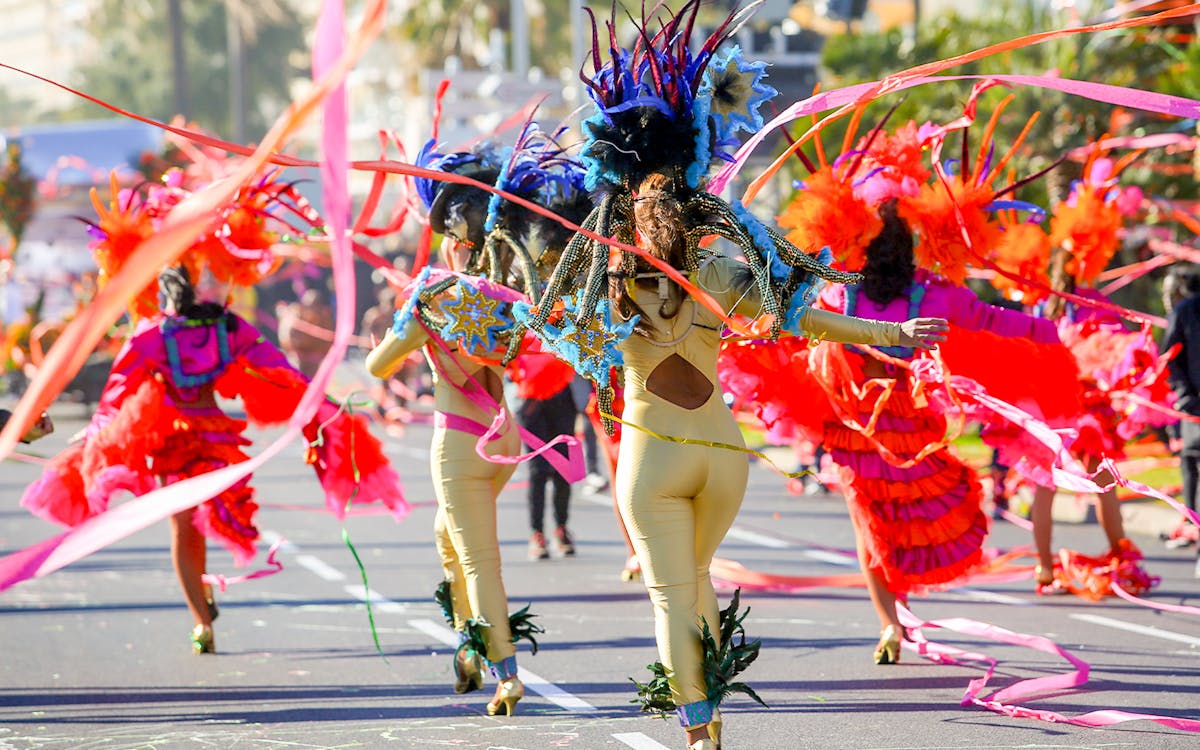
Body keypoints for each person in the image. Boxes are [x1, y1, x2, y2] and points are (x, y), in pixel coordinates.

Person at [508, 10, 947, 744]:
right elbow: (802, 316)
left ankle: (699, 728)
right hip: (722, 458)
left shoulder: (606, 276)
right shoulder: (718, 265)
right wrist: (890, 332)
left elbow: (546, 325)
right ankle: (706, 716)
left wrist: (518, 281)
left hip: (652, 460)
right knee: (697, 584)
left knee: (671, 598)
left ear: (619, 204)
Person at [20, 173, 405, 655]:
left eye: (219, 276)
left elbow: (282, 378)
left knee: (215, 518)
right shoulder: (153, 337)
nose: (215, 285)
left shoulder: (229, 330)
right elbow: (117, 398)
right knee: (184, 524)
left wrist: (319, 419)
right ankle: (201, 618)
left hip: (216, 439)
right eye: (205, 276)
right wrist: (90, 442)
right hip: (167, 440)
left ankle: (199, 594)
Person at [366, 126, 587, 716]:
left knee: (477, 559)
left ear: (448, 239)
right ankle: (469, 645)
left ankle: (507, 674)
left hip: (461, 445)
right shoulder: (511, 294)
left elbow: (376, 365)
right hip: (505, 438)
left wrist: (396, 335)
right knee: (448, 538)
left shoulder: (434, 297)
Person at [810, 199, 1061, 660]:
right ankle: (897, 616)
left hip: (855, 430)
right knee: (901, 522)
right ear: (910, 249)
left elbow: (802, 327)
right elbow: (992, 319)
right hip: (911, 427)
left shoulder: (837, 294)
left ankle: (889, 622)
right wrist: (1048, 330)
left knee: (869, 527)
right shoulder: (935, 294)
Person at [510, 354, 578, 559]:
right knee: (537, 471)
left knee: (564, 469)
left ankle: (561, 528)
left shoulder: (562, 320)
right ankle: (537, 533)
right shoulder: (519, 325)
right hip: (530, 399)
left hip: (561, 397)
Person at [1162, 265, 1200, 574]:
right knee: (1191, 464)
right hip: (1195, 407)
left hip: (1192, 405)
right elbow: (1170, 357)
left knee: (1192, 465)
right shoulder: (1187, 311)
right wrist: (1185, 394)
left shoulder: (1185, 310)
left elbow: (1169, 356)